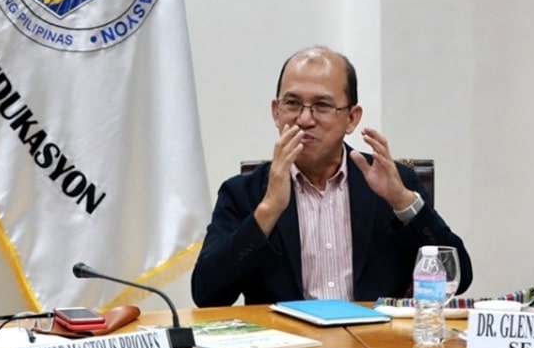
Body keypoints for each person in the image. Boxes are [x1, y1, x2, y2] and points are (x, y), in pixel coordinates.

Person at [191, 46, 473, 306]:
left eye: (322, 106)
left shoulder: (392, 183)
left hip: (375, 346)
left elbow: (458, 278)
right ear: (276, 113)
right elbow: (207, 295)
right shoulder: (245, 193)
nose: (304, 119)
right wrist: (267, 211)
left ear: (351, 118)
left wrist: (402, 201)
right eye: (292, 104)